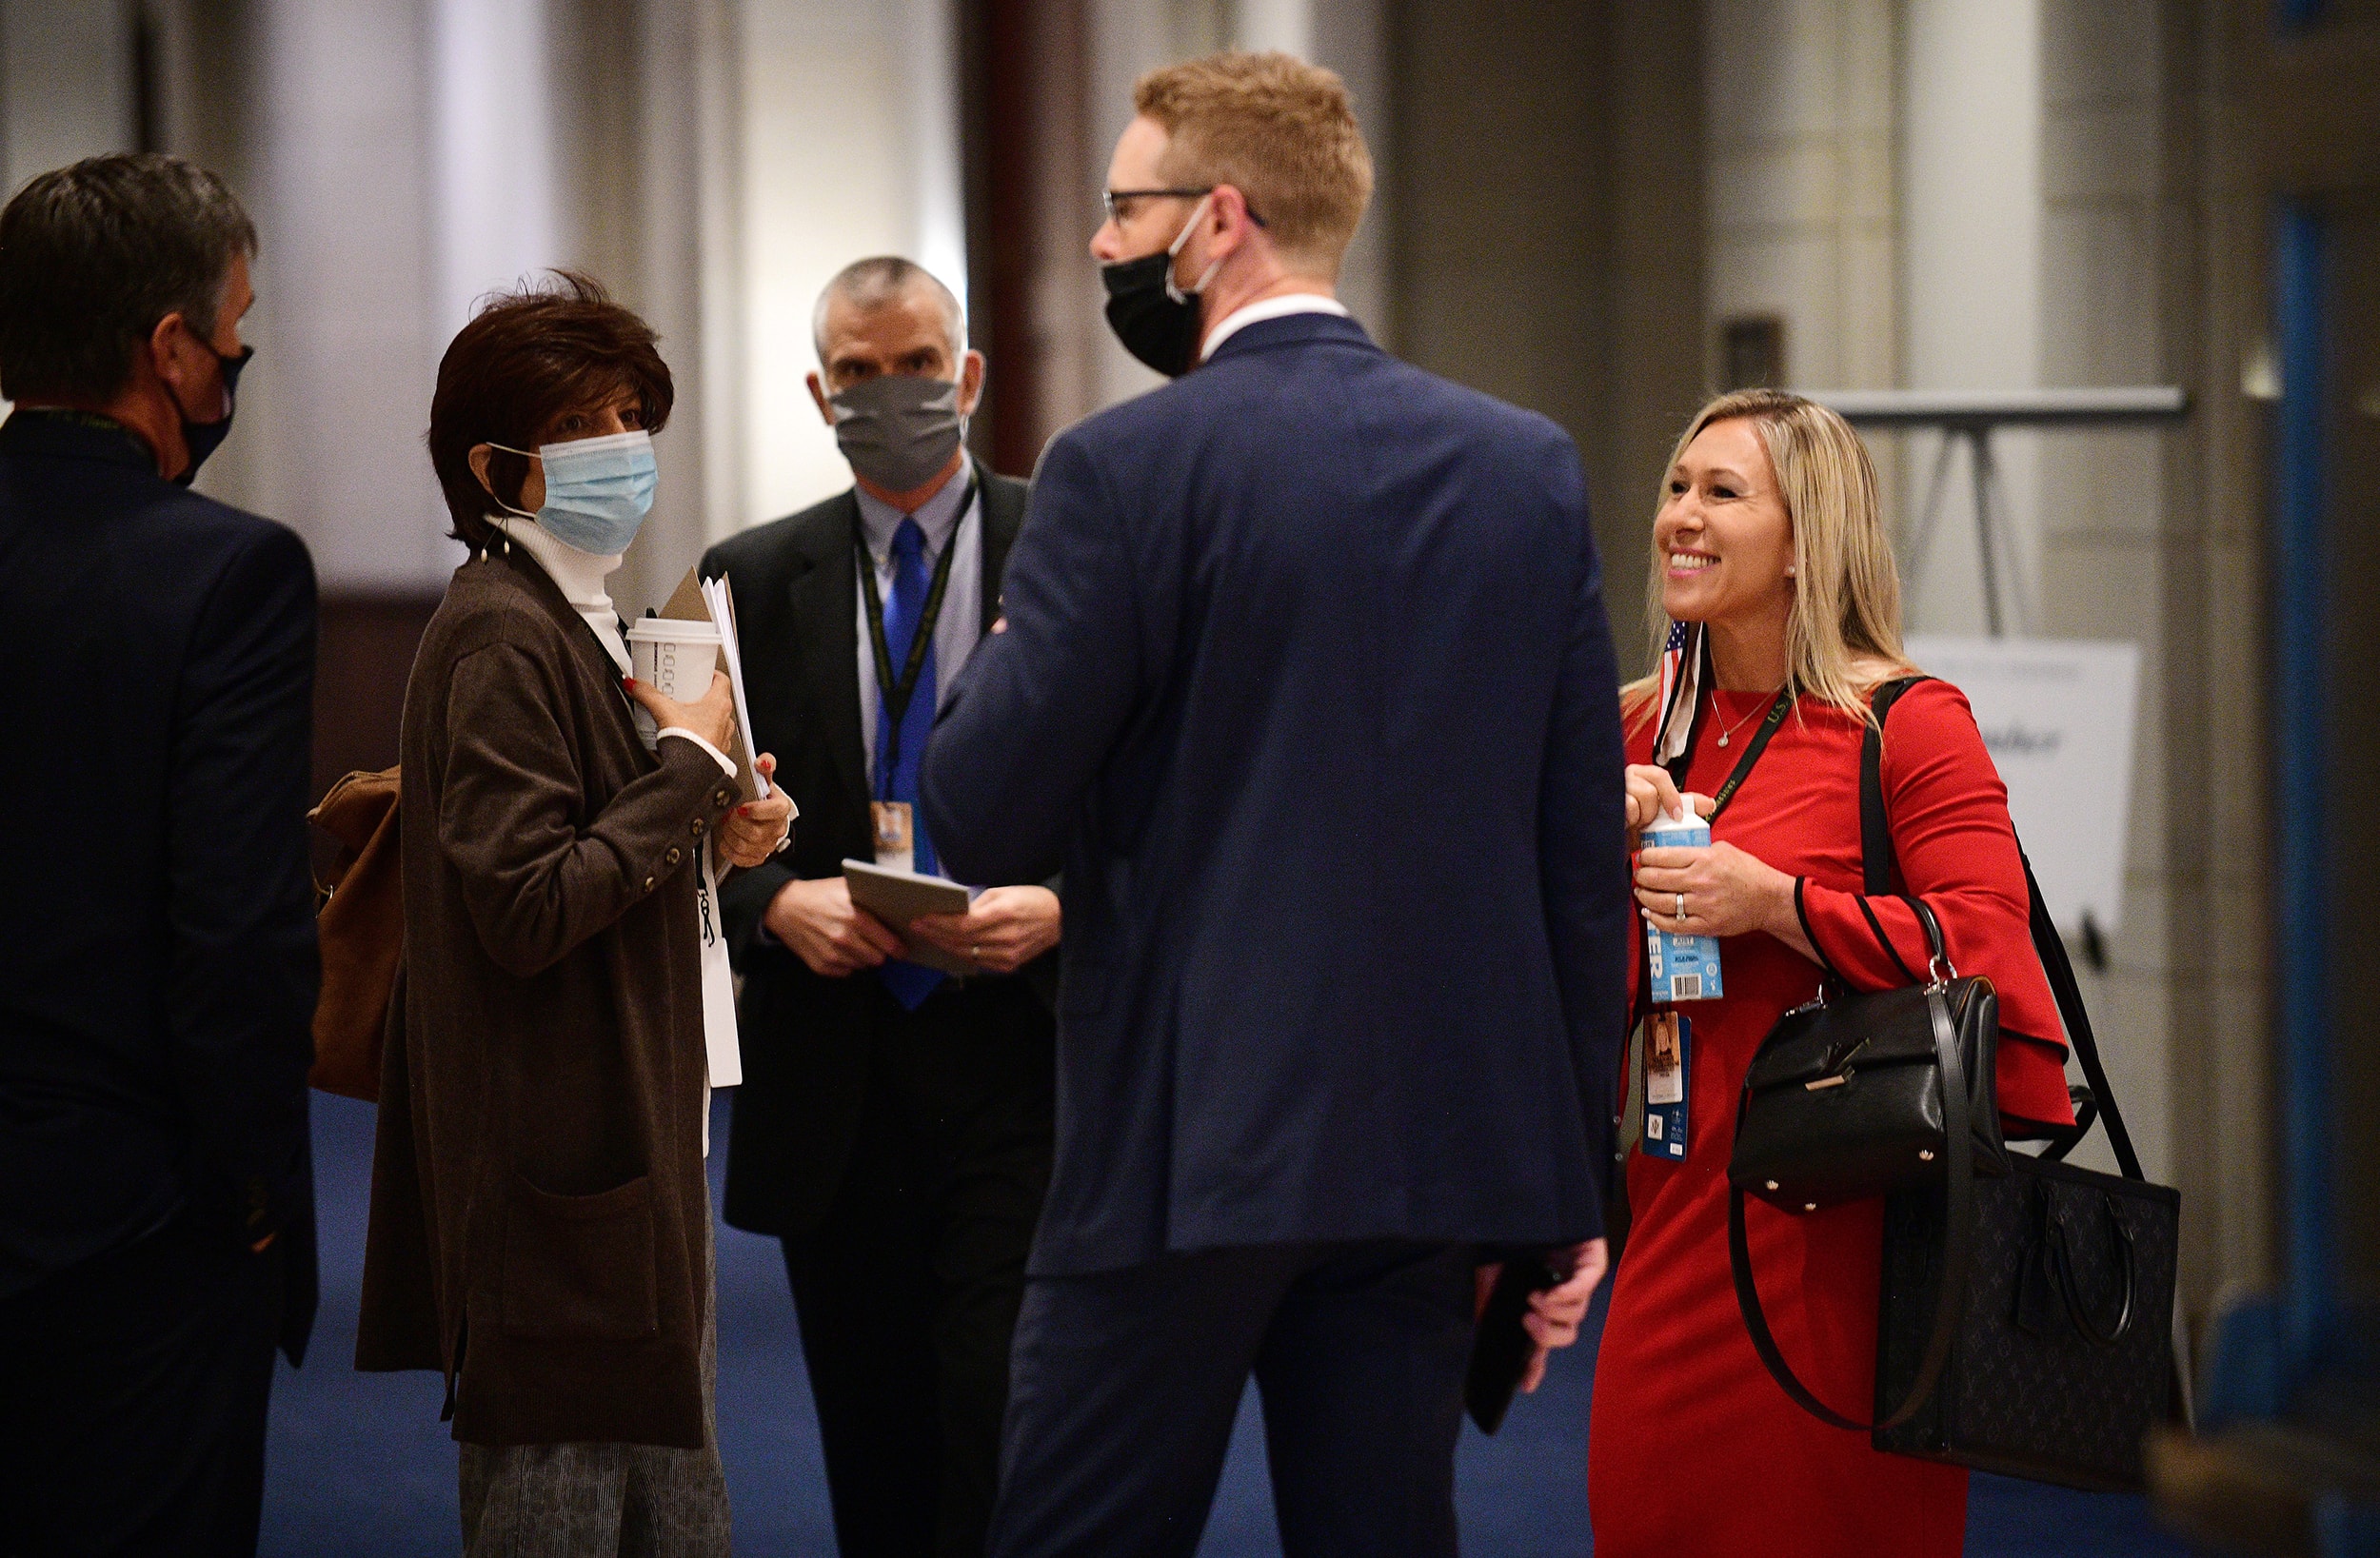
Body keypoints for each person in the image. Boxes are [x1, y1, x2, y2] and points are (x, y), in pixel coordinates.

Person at [920, 51, 1630, 1557]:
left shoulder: (1119, 473)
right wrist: (1573, 1184)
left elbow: (977, 816)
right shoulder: (1527, 471)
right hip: (1434, 1151)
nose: (1105, 244)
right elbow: (1576, 859)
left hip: (1184, 1149)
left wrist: (994, 668)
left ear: (1219, 219)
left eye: (1126, 208)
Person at [1586, 388, 2077, 1556]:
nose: (1679, 518)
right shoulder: (1629, 729)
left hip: (1845, 1248)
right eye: (1674, 487)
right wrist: (1574, 854)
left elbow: (1987, 948)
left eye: (1721, 493)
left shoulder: (1903, 721)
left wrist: (1779, 905)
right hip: (1665, 1226)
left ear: (1807, 535)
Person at [355, 273, 792, 1557]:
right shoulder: (503, 634)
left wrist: (711, 836)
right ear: (499, 464)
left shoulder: (571, 613)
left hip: (625, 1147)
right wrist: (689, 773)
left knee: (667, 1517)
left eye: (630, 414)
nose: (624, 446)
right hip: (558, 1178)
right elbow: (529, 905)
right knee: (562, 1520)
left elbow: (597, 856)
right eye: (588, 421)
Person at [699, 256, 1059, 1558]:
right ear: (819, 391)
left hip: (1019, 1048)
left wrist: (1060, 905)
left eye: (917, 366)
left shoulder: (1065, 547)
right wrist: (773, 902)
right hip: (833, 1067)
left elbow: (1158, 787)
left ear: (965, 376)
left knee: (998, 1413)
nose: (890, 392)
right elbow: (692, 822)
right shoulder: (747, 576)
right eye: (859, 373)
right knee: (875, 1437)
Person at [0, 152, 315, 1557]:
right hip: (130, 1229)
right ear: (173, 349)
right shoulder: (223, 572)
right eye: (237, 331)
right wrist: (252, 1198)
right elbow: (235, 938)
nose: (240, 357)